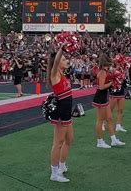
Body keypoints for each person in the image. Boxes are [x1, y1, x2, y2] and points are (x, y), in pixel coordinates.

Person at [46, 47, 74, 182]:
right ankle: (54, 173)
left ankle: (62, 165)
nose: (66, 61)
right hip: (61, 110)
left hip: (67, 110)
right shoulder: (54, 74)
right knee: (58, 143)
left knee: (69, 139)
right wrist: (62, 49)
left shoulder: (62, 74)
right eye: (64, 59)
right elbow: (56, 61)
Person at [93, 53, 125, 148]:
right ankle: (99, 141)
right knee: (99, 120)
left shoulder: (105, 71)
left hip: (104, 97)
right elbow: (101, 87)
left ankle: (113, 139)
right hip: (100, 98)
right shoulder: (102, 72)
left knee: (109, 119)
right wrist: (112, 82)